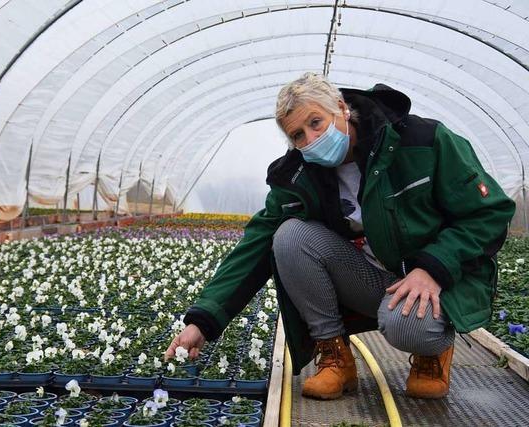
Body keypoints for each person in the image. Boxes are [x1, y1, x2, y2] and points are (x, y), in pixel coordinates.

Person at [165, 72, 515, 400]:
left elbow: (490, 212)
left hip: (434, 282)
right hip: (375, 279)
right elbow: (255, 244)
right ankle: (334, 356)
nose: (310, 139)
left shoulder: (421, 141)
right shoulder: (300, 175)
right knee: (289, 236)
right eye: (297, 135)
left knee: (409, 328)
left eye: (315, 122)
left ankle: (432, 350)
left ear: (342, 109)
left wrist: (434, 269)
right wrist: (203, 321)